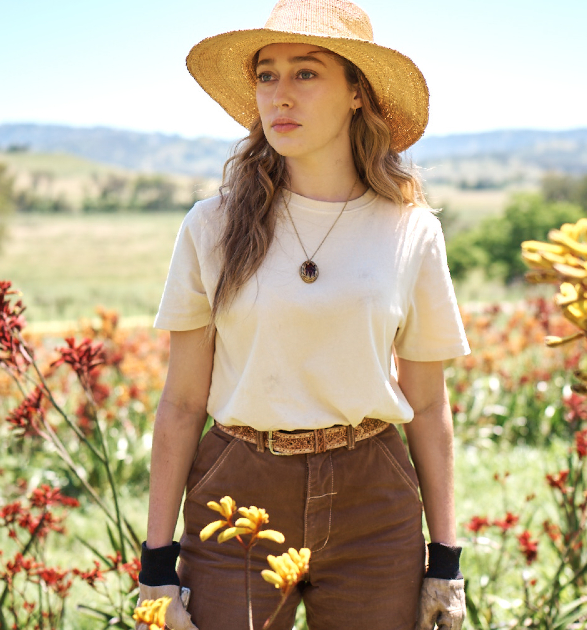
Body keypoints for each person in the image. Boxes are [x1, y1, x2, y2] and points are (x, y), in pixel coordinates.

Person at [134, 0, 471, 628]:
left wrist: (445, 560)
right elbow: (181, 401)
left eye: (306, 73)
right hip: (239, 492)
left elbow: (427, 404)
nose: (279, 95)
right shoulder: (210, 227)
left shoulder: (410, 230)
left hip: (375, 498)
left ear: (355, 94)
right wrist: (157, 565)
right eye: (267, 75)